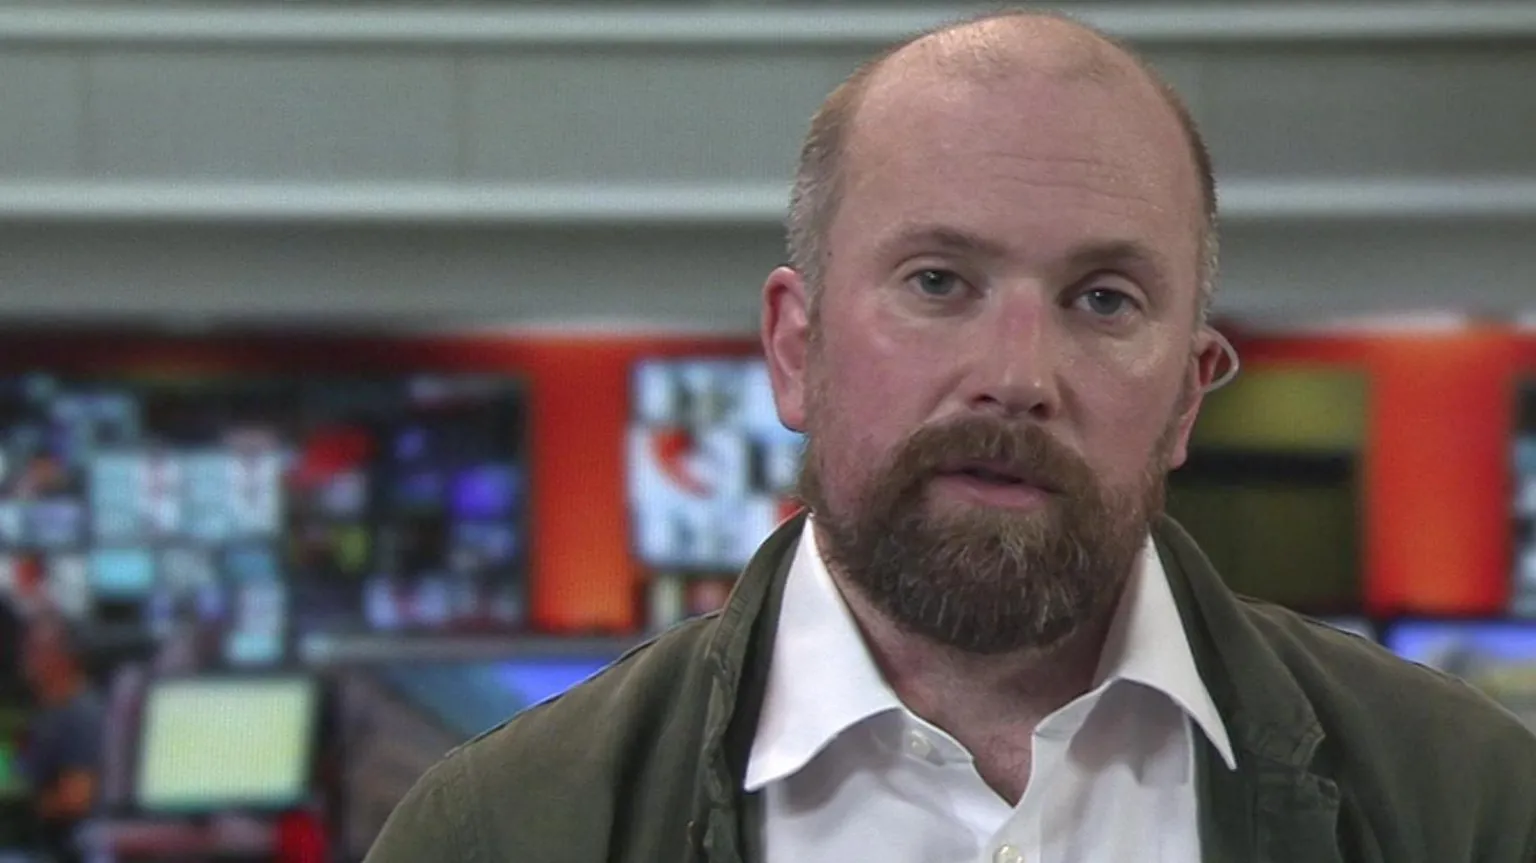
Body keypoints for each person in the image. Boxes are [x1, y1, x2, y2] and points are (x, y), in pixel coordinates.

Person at [365, 10, 1536, 863]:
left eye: (1104, 300)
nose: (1016, 377)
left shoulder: (1471, 805)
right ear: (793, 347)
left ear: (1188, 393)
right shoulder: (503, 831)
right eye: (938, 281)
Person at [18, 615, 104, 863]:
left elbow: (78, 797)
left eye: (36, 650)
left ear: (64, 657)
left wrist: (28, 802)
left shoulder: (82, 713)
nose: (27, 658)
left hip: (62, 849)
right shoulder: (47, 706)